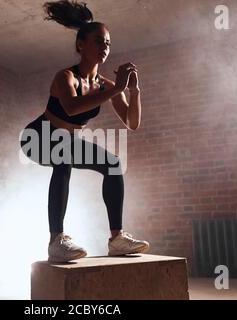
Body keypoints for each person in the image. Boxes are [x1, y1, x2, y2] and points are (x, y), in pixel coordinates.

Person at [20, 0, 149, 262]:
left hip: (65, 141)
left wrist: (133, 91)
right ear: (81, 45)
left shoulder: (106, 85)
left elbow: (131, 122)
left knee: (113, 164)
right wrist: (116, 89)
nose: (105, 48)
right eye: (99, 41)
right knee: (64, 157)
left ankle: (117, 239)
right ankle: (56, 240)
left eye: (108, 43)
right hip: (37, 137)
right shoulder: (65, 76)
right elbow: (71, 107)